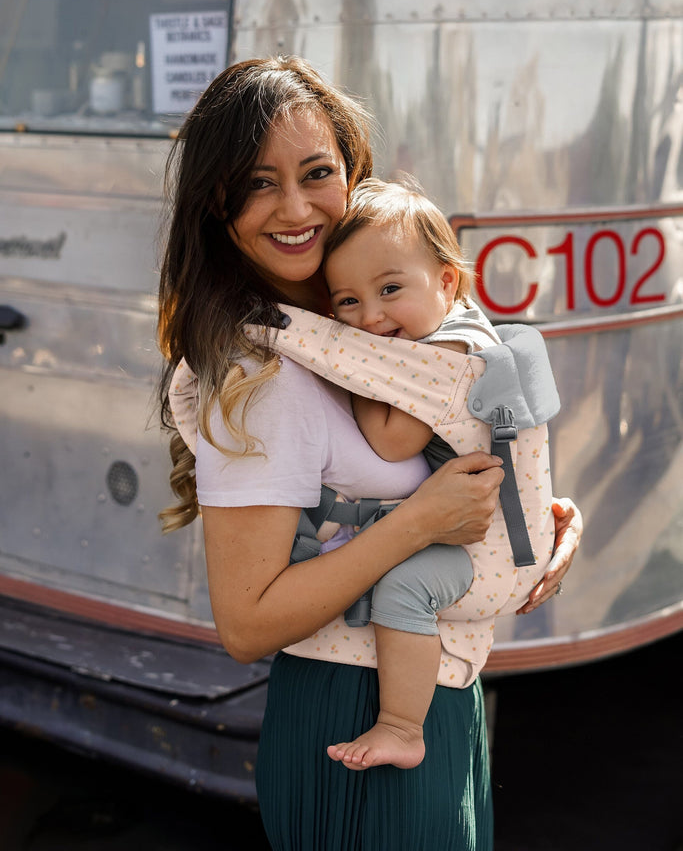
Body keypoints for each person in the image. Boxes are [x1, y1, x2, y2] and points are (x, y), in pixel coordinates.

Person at [158, 55, 583, 851]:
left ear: (353, 174)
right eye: (256, 183)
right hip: (355, 708)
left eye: (317, 173)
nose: (294, 208)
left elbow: (471, 426)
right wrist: (421, 520)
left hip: (430, 689)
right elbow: (246, 623)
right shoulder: (264, 371)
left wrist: (543, 515)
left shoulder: (366, 327)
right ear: (216, 204)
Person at [254, 175, 558, 772]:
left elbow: (391, 442)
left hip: (492, 557)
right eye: (346, 302)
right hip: (500, 536)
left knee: (404, 588)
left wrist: (358, 373)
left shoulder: (446, 355)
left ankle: (401, 726)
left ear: (447, 282)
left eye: (391, 288)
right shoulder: (449, 328)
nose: (370, 319)